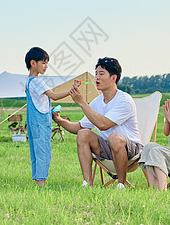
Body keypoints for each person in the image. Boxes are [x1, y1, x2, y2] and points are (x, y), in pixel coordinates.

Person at [52, 57, 143, 190]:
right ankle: (87, 184)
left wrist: (82, 103)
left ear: (113, 78)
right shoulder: (97, 102)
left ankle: (121, 185)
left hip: (131, 149)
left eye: (101, 74)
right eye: (96, 74)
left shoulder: (124, 100)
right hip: (107, 148)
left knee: (115, 138)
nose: (96, 78)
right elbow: (79, 127)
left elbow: (103, 124)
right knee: (83, 134)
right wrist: (59, 120)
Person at [24, 47, 72, 187]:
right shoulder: (37, 81)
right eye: (43, 63)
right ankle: (41, 183)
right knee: (44, 153)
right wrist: (72, 90)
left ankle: (38, 180)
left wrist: (49, 109)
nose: (46, 66)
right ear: (33, 63)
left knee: (36, 152)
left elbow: (39, 102)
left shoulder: (29, 81)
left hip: (34, 122)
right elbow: (54, 96)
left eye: (47, 63)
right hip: (40, 123)